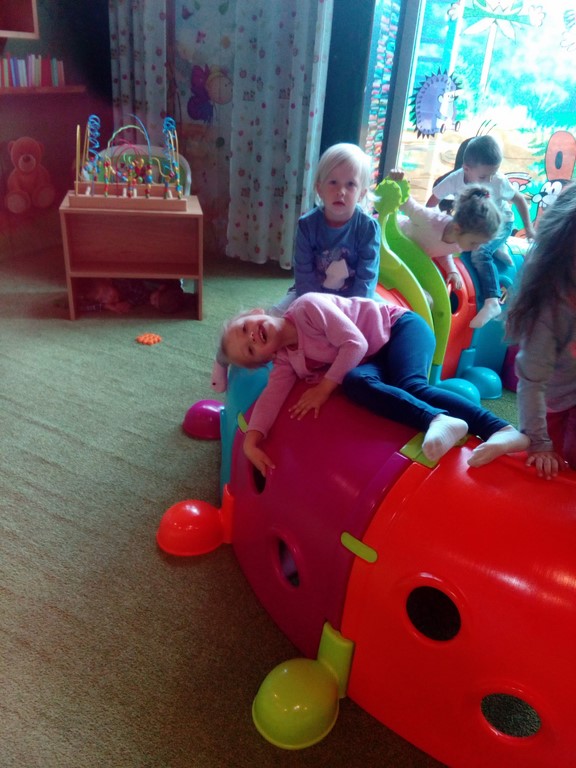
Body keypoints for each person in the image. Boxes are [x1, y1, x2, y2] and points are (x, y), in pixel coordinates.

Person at [217, 292, 529, 477]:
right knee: (355, 382)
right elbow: (272, 396)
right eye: (249, 350)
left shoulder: (307, 308)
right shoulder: (287, 359)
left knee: (411, 385)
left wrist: (324, 388)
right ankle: (439, 420)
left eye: (245, 329)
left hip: (399, 327)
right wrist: (251, 440)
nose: (251, 337)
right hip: (374, 355)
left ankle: (501, 429)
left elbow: (355, 343)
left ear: (256, 314)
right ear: (265, 359)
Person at [210, 142, 381, 392]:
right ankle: (222, 358)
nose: (341, 191)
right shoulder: (308, 225)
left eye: (350, 184)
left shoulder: (367, 228)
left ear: (362, 192)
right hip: (307, 295)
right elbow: (304, 273)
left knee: (382, 319)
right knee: (270, 319)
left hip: (350, 299)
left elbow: (367, 277)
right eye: (333, 182)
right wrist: (312, 315)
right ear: (319, 188)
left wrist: (350, 314)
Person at [427, 135, 536, 328]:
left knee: (480, 253)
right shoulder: (455, 179)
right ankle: (497, 247)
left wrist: (528, 228)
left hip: (500, 222)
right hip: (475, 225)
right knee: (460, 243)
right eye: (484, 177)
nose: (489, 180)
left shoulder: (498, 181)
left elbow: (519, 199)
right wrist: (431, 223)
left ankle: (492, 300)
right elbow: (433, 200)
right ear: (466, 169)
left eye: (493, 173)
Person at [506, 182, 576, 480]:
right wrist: (539, 442)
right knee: (550, 466)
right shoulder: (552, 307)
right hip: (553, 404)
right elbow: (533, 381)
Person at [389, 169, 502, 292]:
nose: (476, 248)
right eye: (474, 242)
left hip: (408, 256)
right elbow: (408, 205)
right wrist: (398, 182)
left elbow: (443, 251)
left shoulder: (459, 242)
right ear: (457, 228)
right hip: (390, 239)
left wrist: (451, 271)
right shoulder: (430, 220)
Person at [78, 278, 186, 314]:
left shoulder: (125, 283)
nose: (108, 299)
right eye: (102, 299)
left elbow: (142, 293)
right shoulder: (104, 300)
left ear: (108, 281)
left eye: (106, 293)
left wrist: (129, 302)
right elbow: (81, 307)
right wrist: (105, 306)